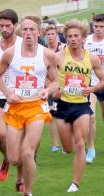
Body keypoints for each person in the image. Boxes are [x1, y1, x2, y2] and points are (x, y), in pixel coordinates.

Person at [0, 16, 58, 196]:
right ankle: (8, 162)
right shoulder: (10, 53)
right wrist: (8, 94)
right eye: (26, 30)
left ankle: (28, 192)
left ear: (39, 32)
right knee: (15, 158)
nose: (28, 33)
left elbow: (55, 82)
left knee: (28, 153)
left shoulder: (47, 54)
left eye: (32, 30)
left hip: (37, 107)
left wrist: (47, 91)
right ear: (21, 31)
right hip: (15, 108)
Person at [52, 19, 104, 192]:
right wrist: (54, 90)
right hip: (62, 105)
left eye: (76, 36)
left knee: (80, 144)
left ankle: (75, 183)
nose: (73, 39)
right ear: (66, 38)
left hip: (82, 106)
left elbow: (103, 80)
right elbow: (45, 75)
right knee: (68, 148)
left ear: (83, 38)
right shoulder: (58, 57)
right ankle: (70, 148)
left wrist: (93, 88)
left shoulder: (92, 58)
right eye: (69, 36)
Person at [0, 8, 24, 190]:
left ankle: (20, 178)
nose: (4, 29)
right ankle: (7, 158)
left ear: (15, 25)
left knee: (20, 142)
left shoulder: (24, 44)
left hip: (20, 97)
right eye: (1, 26)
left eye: (8, 26)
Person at [84, 13, 104, 164]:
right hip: (90, 84)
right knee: (91, 117)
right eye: (96, 26)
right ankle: (90, 149)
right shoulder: (87, 41)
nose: (98, 29)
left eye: (101, 27)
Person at [44, 24, 65, 152]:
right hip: (50, 89)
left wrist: (61, 88)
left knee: (64, 116)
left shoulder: (63, 48)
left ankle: (65, 144)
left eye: (52, 34)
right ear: (45, 36)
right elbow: (43, 73)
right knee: (51, 116)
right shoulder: (43, 51)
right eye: (48, 35)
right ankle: (55, 144)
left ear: (56, 35)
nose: (50, 36)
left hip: (64, 88)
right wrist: (50, 88)